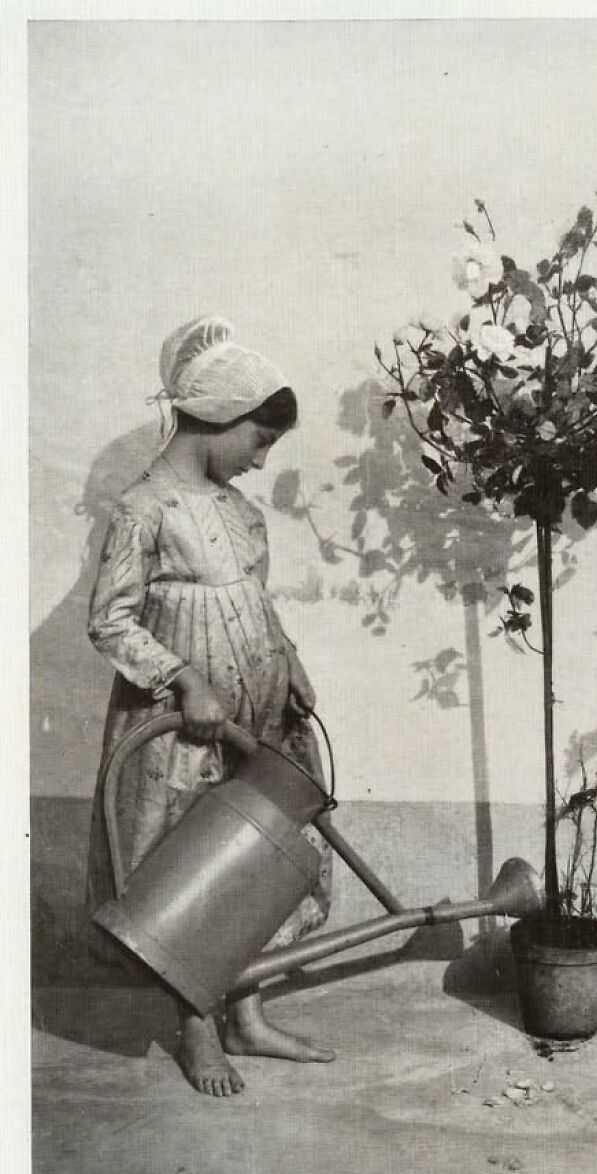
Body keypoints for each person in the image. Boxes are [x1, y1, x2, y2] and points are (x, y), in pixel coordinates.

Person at [86, 316, 334, 1097]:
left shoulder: (238, 512)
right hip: (184, 725)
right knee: (188, 860)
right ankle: (196, 1024)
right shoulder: (144, 509)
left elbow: (252, 599)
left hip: (256, 713)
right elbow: (110, 619)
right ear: (219, 416)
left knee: (254, 854)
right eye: (258, 440)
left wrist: (287, 657)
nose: (261, 460)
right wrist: (183, 679)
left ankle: (248, 1014)